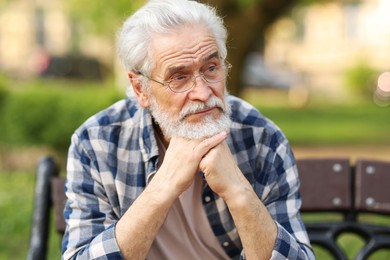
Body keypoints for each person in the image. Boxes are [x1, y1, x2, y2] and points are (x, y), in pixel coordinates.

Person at [62, 0, 314, 259]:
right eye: (179, 77)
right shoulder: (96, 142)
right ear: (140, 89)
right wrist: (164, 186)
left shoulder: (262, 139)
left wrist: (238, 192)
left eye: (211, 68)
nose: (203, 93)